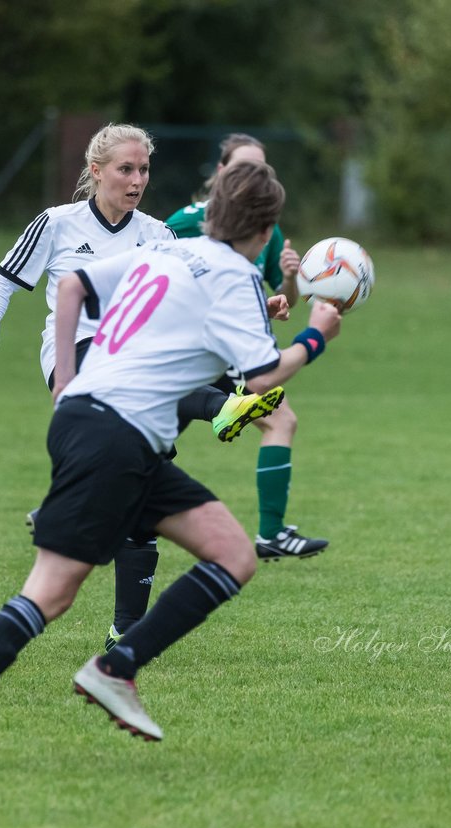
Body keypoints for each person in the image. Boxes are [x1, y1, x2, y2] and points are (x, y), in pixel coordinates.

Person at [0, 159, 342, 776]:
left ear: (211, 212)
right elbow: (262, 377)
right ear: (265, 234)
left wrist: (67, 389)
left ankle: (115, 666)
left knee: (233, 553)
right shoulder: (229, 273)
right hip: (112, 436)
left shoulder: (164, 253)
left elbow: (75, 285)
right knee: (50, 593)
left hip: (113, 430)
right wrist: (318, 333)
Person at [0, 124, 286, 655]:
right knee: (130, 456)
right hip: (78, 357)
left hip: (140, 364)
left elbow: (197, 296)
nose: (138, 180)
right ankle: (222, 407)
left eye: (144, 170)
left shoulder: (158, 233)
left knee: (140, 486)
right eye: (126, 170)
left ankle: (124, 628)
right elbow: (4, 280)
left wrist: (257, 307)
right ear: (95, 172)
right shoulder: (57, 224)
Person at [166, 133, 329, 562]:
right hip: (203, 350)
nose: (255, 177)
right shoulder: (185, 223)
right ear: (221, 174)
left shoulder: (267, 229)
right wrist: (314, 339)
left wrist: (290, 280)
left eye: (262, 170)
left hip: (230, 349)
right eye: (244, 169)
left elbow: (281, 299)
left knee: (277, 420)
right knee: (152, 438)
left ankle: (272, 534)